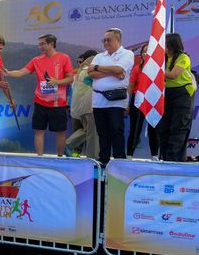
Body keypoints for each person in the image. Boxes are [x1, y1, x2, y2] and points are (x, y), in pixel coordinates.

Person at [3, 34, 74, 156]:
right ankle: (39, 157)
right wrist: (8, 73)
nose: (39, 46)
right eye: (39, 44)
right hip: (40, 102)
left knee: (60, 132)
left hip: (58, 103)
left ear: (51, 44)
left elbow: (70, 79)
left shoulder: (64, 58)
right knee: (39, 131)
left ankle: (60, 157)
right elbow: (21, 72)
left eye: (42, 44)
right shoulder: (36, 60)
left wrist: (57, 82)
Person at [88, 28, 135, 165]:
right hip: (98, 99)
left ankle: (119, 159)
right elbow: (90, 73)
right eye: (104, 40)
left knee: (116, 130)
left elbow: (119, 70)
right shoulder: (99, 56)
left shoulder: (127, 54)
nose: (106, 42)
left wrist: (98, 68)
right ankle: (104, 159)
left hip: (116, 99)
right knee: (102, 131)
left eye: (109, 40)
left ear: (118, 40)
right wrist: (112, 71)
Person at [158, 33, 196, 162]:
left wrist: (155, 70)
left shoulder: (183, 57)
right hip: (167, 93)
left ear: (172, 44)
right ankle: (165, 158)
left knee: (178, 127)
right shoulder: (162, 59)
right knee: (164, 127)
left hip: (182, 94)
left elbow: (173, 75)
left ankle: (174, 159)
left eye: (164, 44)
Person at [127, 44, 159, 158]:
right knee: (135, 129)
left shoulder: (158, 68)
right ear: (141, 55)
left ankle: (155, 155)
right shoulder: (137, 68)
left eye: (148, 51)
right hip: (138, 100)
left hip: (153, 100)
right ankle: (129, 155)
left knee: (153, 129)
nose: (146, 54)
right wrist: (127, 103)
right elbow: (131, 86)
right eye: (143, 52)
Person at [65, 50, 99, 158]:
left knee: (87, 130)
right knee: (92, 133)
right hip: (89, 106)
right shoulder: (89, 71)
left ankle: (68, 144)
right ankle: (93, 158)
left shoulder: (81, 70)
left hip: (82, 107)